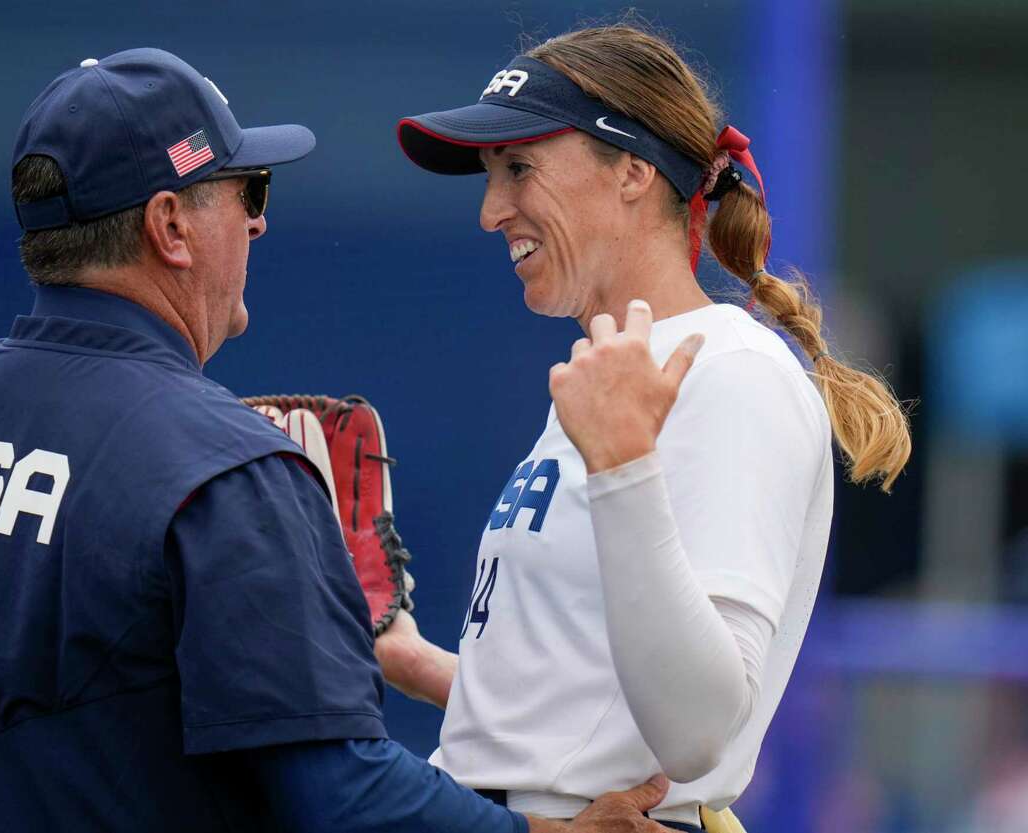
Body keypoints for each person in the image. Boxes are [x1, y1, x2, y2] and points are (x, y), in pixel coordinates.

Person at [0, 47, 674, 833]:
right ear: (170, 226)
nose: (258, 225)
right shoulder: (220, 467)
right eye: (248, 191)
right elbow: (340, 796)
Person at [382, 22, 912, 832]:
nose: (492, 210)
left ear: (632, 171)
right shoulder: (627, 366)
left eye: (519, 167)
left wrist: (623, 465)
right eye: (491, 175)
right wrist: (422, 666)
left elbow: (698, 727)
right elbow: (597, 703)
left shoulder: (730, 371)